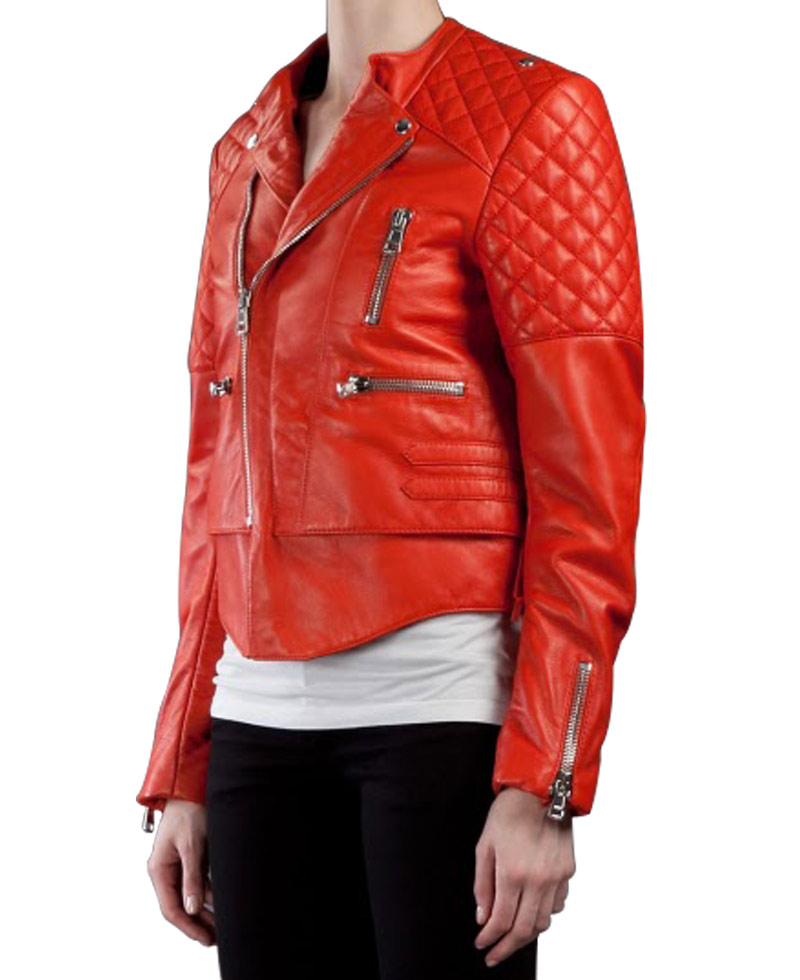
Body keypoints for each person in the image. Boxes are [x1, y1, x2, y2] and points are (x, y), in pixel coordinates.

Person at [137, 3, 645, 978]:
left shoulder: (534, 112)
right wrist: (184, 766)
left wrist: (544, 777)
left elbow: (590, 487)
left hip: (440, 719)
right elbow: (215, 477)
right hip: (253, 730)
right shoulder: (247, 147)